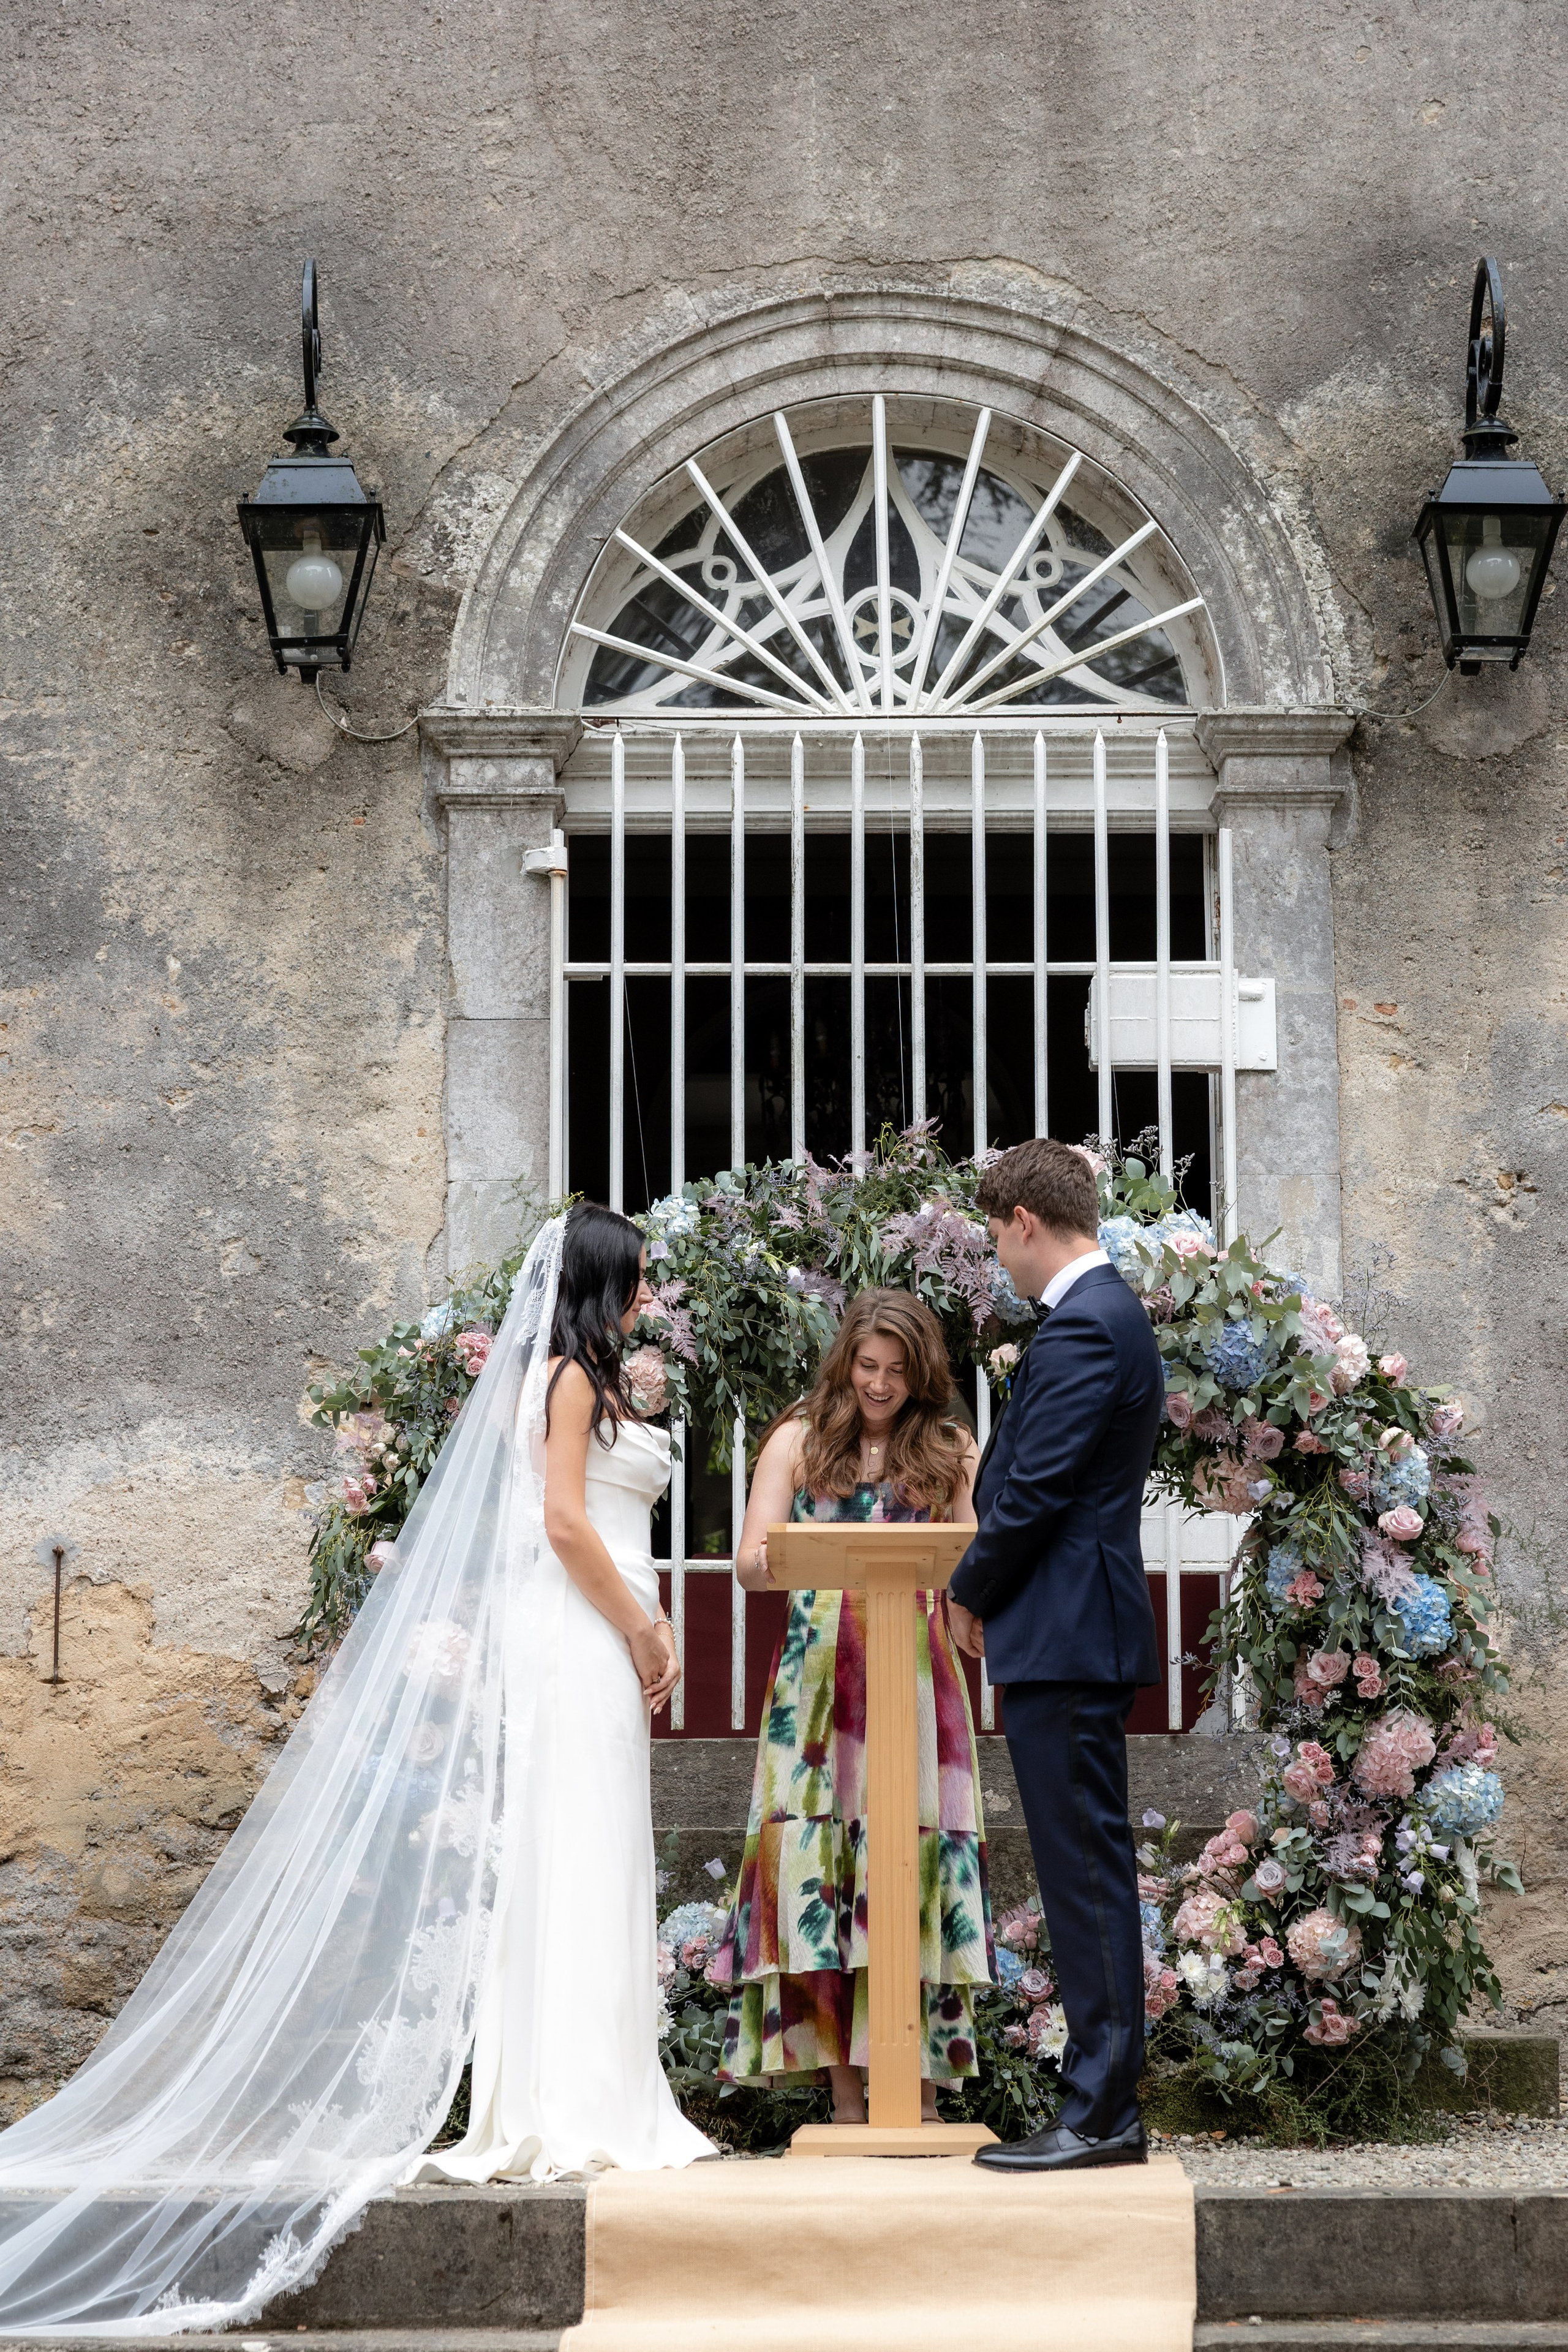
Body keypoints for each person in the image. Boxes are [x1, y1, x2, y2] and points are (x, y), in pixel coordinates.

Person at [0, 1204, 707, 2337]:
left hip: (590, 1627)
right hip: (583, 1626)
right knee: (572, 1846)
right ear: (600, 1281)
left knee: (590, 1846)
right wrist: (645, 1630)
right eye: (635, 1277)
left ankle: (589, 2088)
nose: (645, 1295)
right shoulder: (572, 1377)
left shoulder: (582, 1374)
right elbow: (567, 1524)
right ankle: (570, 2103)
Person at [709, 1288, 991, 2125]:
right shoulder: (798, 1441)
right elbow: (750, 1560)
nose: (879, 1385)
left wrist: (976, 1605)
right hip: (818, 1684)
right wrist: (773, 1558)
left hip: (914, 1670)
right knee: (821, 1876)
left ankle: (926, 2091)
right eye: (868, 1367)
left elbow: (974, 1553)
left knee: (915, 1866)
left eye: (898, 1372)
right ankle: (842, 2095)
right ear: (846, 1362)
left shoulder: (950, 1449)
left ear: (923, 1373)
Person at [946, 1137, 1164, 2174]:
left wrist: (969, 1590)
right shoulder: (1098, 1317)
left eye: (996, 1234)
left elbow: (1034, 1489)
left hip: (1067, 1629)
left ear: (1027, 1221)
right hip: (1070, 1627)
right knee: (1086, 1867)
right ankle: (1101, 2106)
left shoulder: (1086, 1326)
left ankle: (1101, 2115)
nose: (997, 1254)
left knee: (1084, 1872)